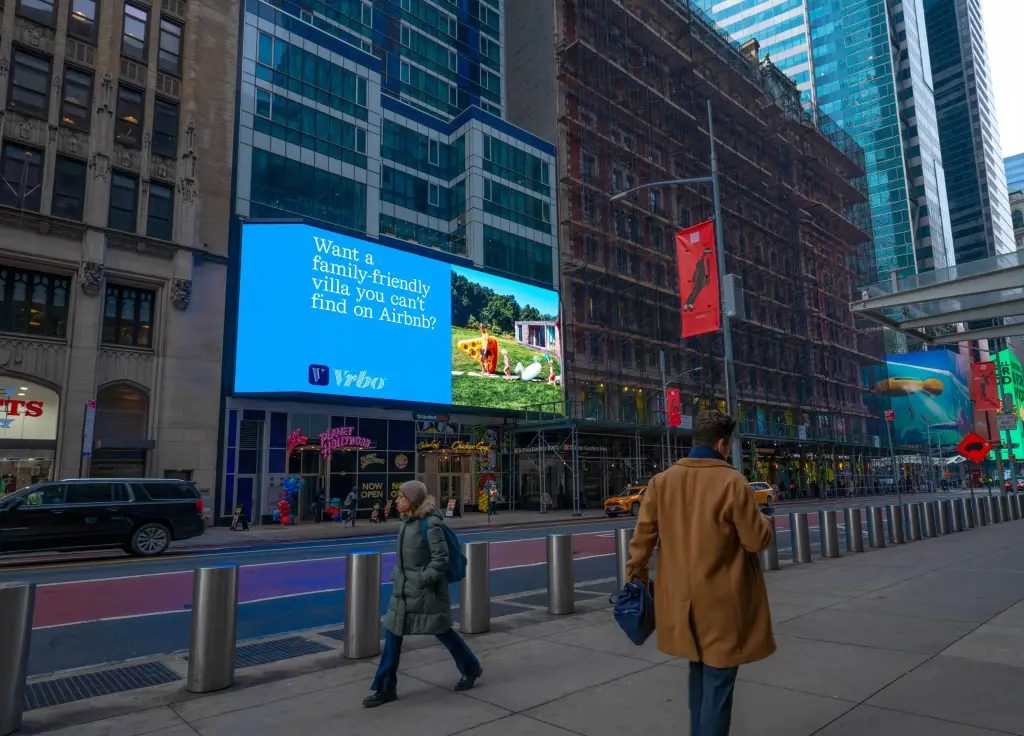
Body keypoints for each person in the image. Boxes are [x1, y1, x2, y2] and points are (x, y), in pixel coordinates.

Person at [627, 410, 775, 736]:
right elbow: (755, 540)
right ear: (722, 444)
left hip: (679, 601)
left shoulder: (661, 482)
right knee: (719, 684)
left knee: (698, 672)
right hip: (724, 601)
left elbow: (641, 543)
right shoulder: (732, 481)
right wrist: (763, 520)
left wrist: (634, 581)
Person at [363, 480, 482, 708]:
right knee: (392, 634)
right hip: (403, 592)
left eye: (401, 497)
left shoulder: (431, 524)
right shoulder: (406, 523)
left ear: (413, 501)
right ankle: (385, 687)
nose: (397, 501)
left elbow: (441, 560)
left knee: (443, 631)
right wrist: (399, 575)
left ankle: (471, 668)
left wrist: (422, 579)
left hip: (426, 592)